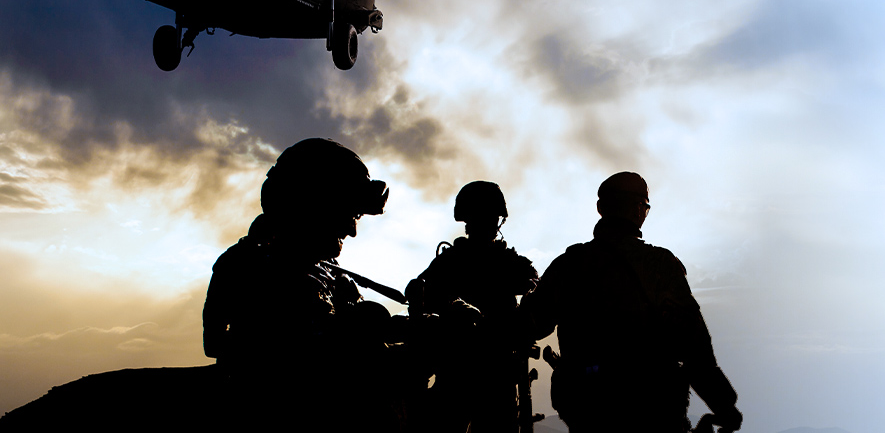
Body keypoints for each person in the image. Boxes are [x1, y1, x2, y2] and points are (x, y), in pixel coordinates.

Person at [202, 138, 411, 432]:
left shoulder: (331, 272)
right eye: (346, 215)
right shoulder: (246, 265)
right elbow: (216, 345)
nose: (351, 230)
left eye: (355, 217)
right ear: (311, 207)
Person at [522, 172, 743, 433]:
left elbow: (528, 325)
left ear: (601, 208)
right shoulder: (659, 266)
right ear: (640, 210)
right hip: (653, 410)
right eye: (644, 207)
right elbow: (694, 347)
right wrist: (724, 405)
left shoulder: (569, 264)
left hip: (588, 411)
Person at [410, 180, 540, 433]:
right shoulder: (452, 262)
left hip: (495, 370)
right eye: (484, 216)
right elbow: (419, 296)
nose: (488, 223)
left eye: (490, 217)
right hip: (459, 369)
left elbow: (536, 293)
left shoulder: (509, 263)